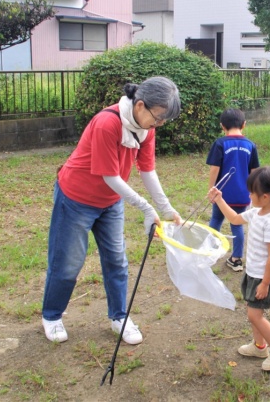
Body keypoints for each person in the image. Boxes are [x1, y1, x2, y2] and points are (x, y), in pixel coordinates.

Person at [41, 76, 183, 344]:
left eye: (165, 120)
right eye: (159, 117)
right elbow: (110, 176)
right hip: (76, 198)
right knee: (68, 262)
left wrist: (165, 208)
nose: (160, 124)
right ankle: (51, 315)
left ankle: (119, 316)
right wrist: (144, 207)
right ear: (140, 105)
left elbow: (147, 170)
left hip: (110, 202)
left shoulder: (146, 129)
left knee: (117, 260)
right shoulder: (108, 123)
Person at [207, 167, 270, 371]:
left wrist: (265, 283)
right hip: (253, 273)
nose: (249, 195)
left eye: (251, 192)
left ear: (264, 196)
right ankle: (259, 347)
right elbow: (235, 219)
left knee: (255, 315)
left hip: (264, 277)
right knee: (253, 312)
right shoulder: (257, 212)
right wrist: (219, 199)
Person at [206, 108, 260, 271]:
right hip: (243, 195)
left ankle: (208, 252)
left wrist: (211, 189)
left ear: (222, 126)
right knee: (237, 224)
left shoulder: (220, 143)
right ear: (244, 124)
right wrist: (253, 192)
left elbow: (214, 169)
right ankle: (236, 259)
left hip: (221, 195)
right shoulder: (250, 145)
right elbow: (254, 172)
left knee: (216, 220)